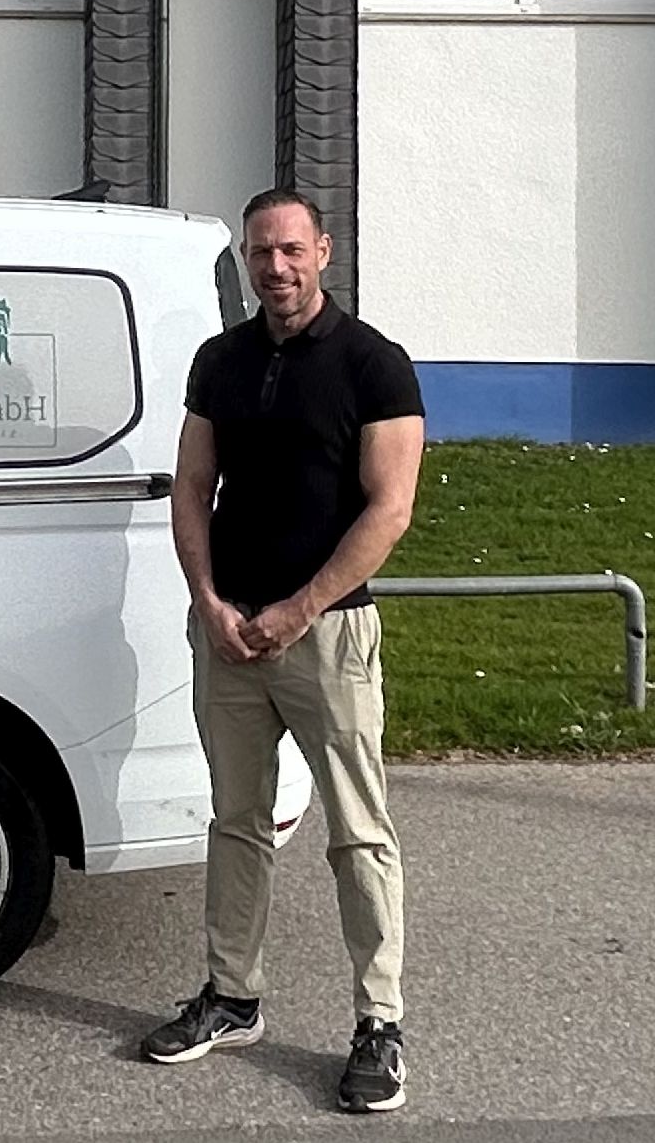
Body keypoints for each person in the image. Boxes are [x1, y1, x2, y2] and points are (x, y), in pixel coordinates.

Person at [141, 188, 425, 1115]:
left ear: (322, 252)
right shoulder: (219, 360)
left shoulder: (373, 364)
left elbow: (389, 509)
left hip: (327, 635)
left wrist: (300, 610)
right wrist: (208, 601)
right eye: (261, 251)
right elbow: (192, 485)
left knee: (357, 831)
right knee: (236, 821)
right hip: (229, 631)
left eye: (291, 249)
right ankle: (232, 996)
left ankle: (378, 1023)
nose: (275, 267)